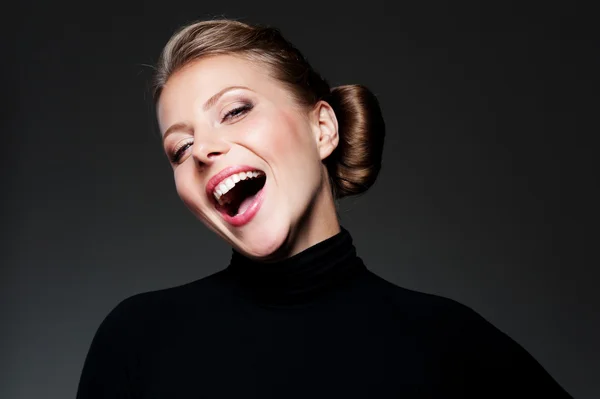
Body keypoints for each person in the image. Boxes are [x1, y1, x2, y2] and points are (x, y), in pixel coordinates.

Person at [76, 19, 571, 398]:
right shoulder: (137, 340)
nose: (204, 151)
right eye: (180, 148)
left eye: (235, 110)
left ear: (323, 129)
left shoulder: (451, 344)